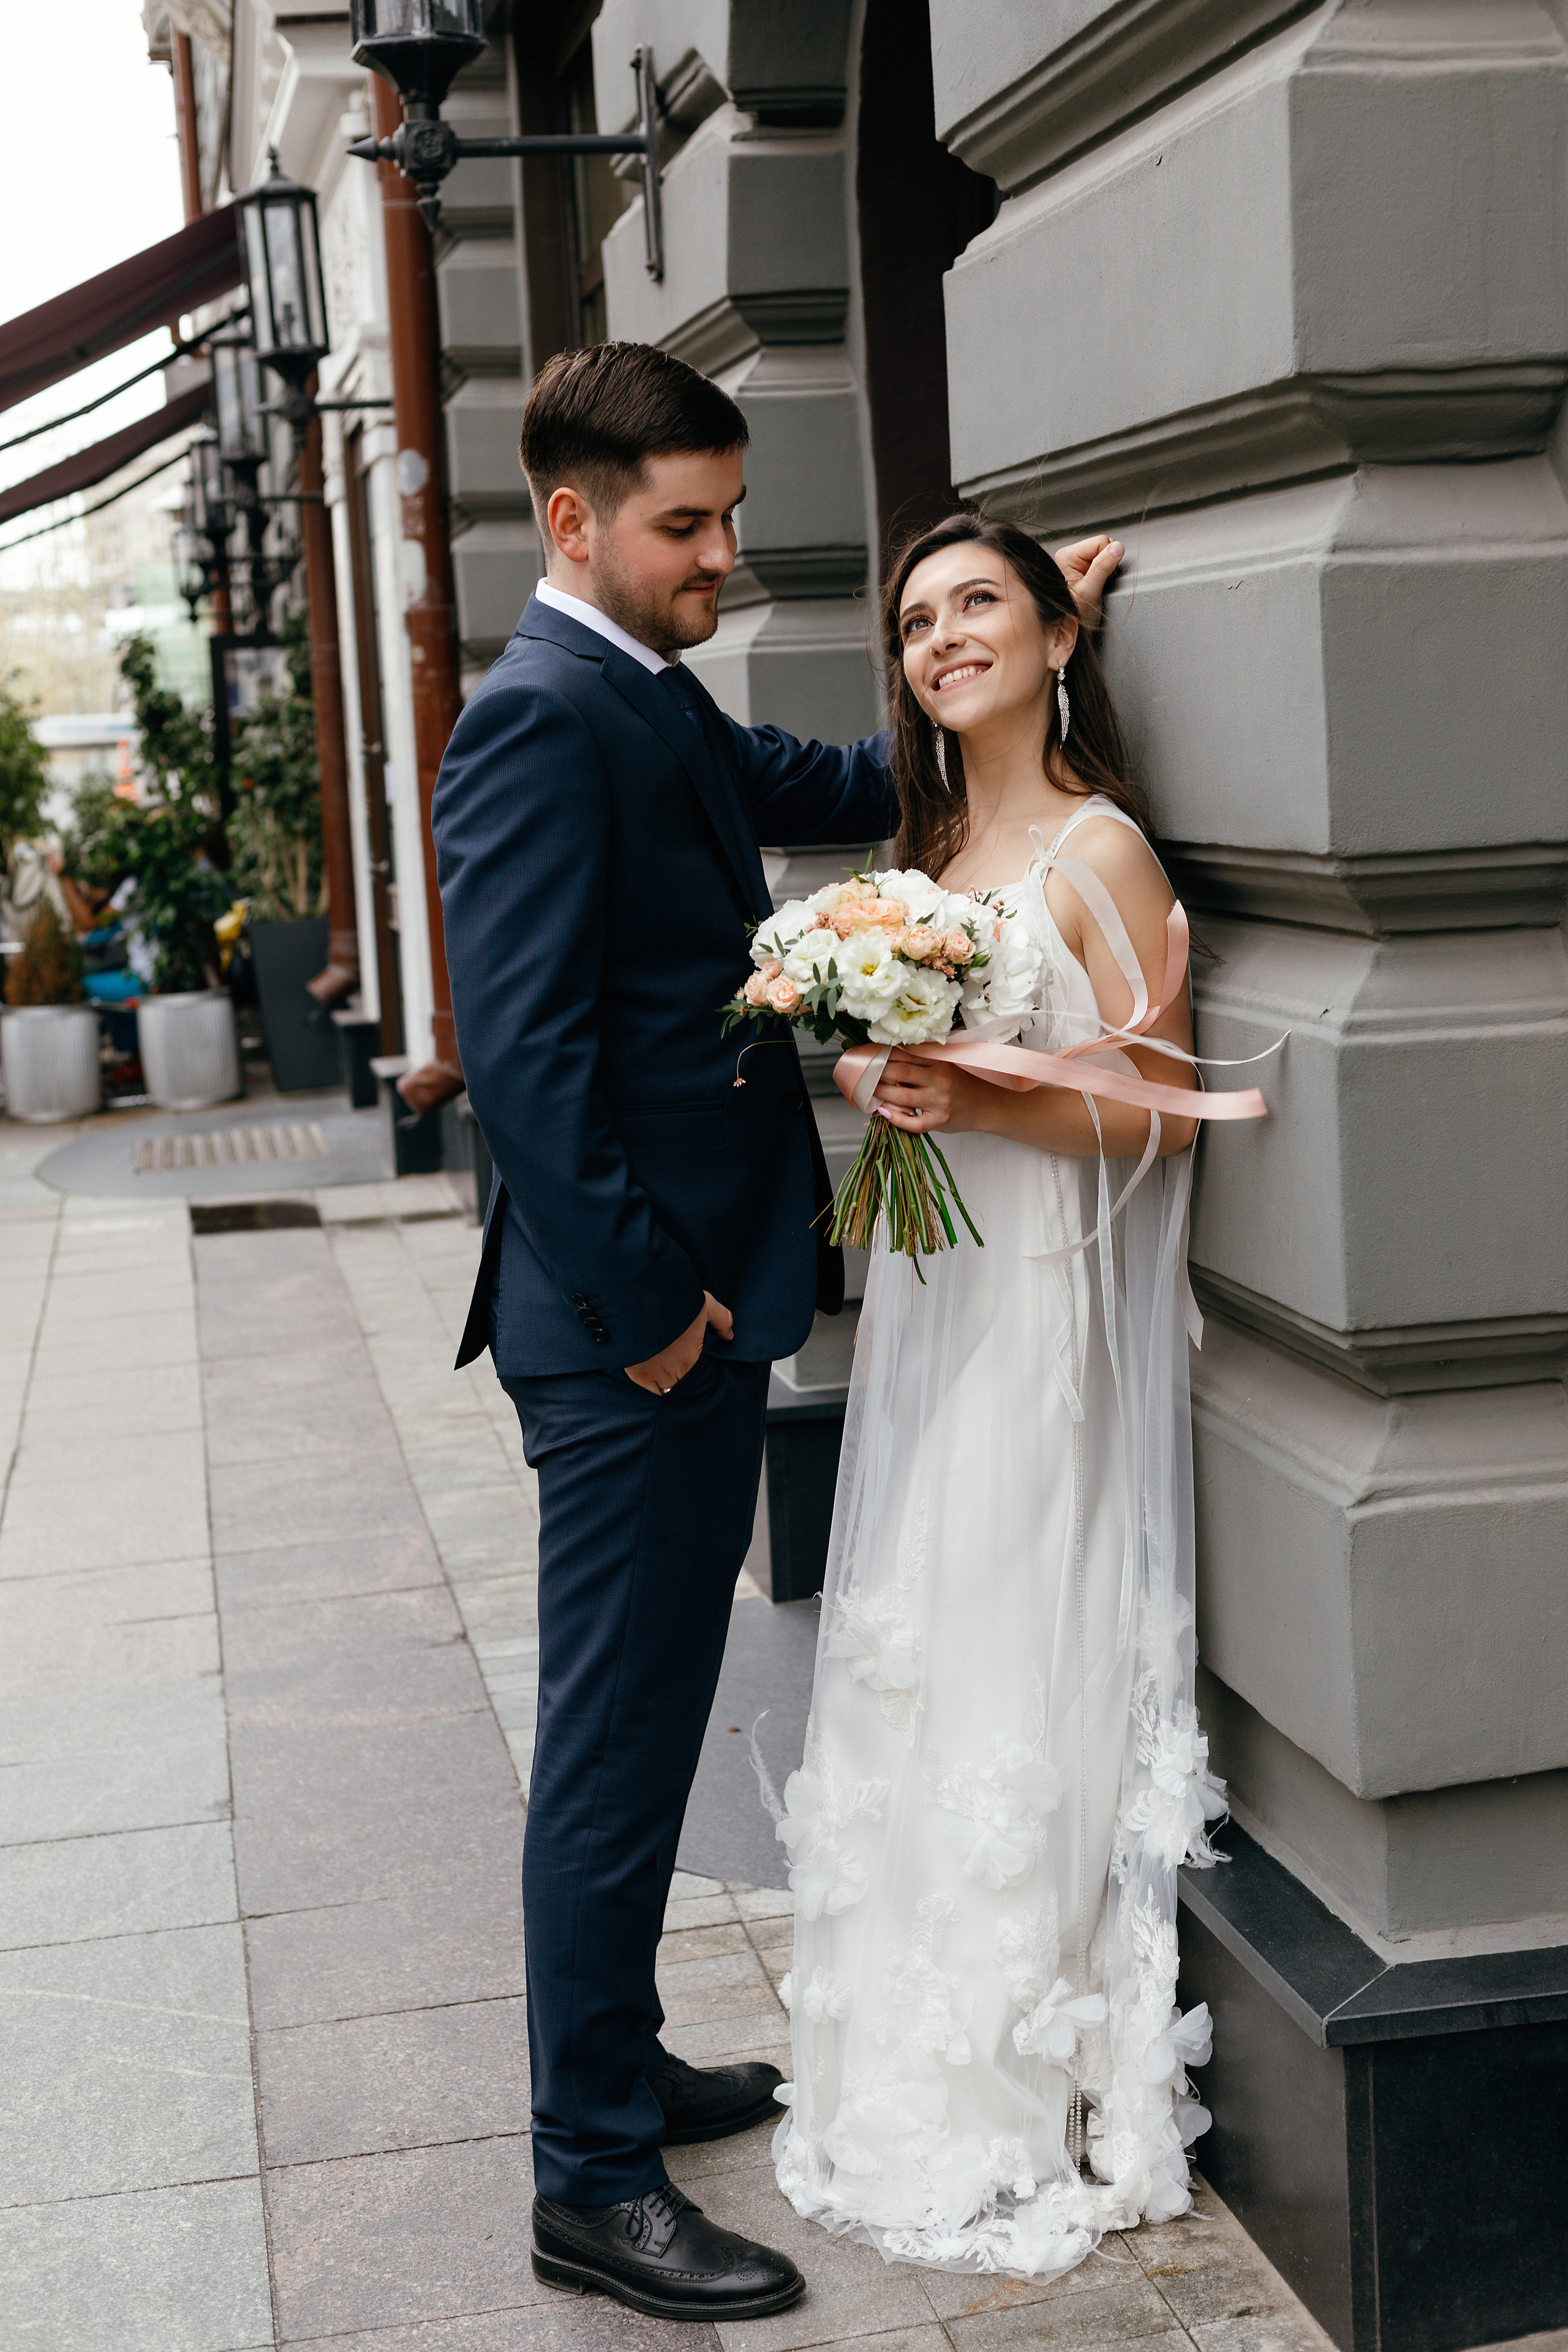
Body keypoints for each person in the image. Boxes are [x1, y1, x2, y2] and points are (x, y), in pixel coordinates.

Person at [431, 342, 1123, 2322]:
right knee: (619, 1743)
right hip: (633, 1326)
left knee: (639, 1731)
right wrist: (656, 1314)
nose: (724, 551)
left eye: (729, 515)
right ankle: (587, 2175)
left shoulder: (644, 691)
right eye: (687, 523)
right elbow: (529, 1063)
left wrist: (1015, 651)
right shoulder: (538, 721)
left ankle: (622, 2062)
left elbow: (824, 790)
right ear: (575, 523)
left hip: (695, 1305)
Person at [771, 513, 1227, 2280]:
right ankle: (915, 2023)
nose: (942, 637)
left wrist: (980, 1108)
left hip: (1044, 1306)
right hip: (941, 1293)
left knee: (1019, 1628)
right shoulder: (938, 847)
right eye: (916, 621)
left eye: (981, 607)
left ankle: (1024, 2045)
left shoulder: (1098, 852)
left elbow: (1165, 1105)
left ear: (1053, 636)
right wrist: (900, 1079)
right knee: (929, 1629)